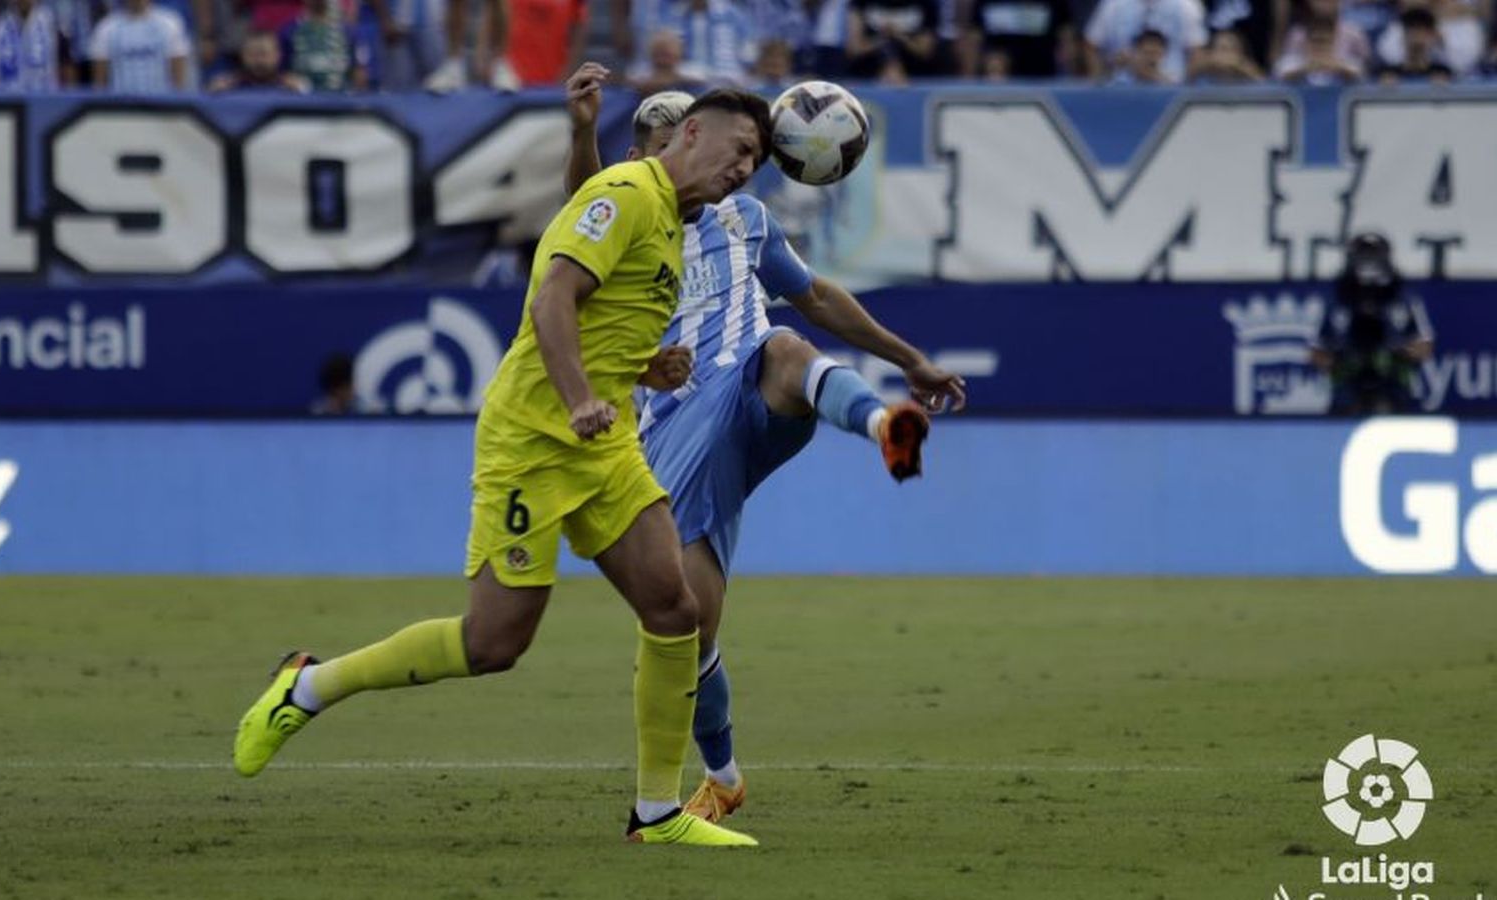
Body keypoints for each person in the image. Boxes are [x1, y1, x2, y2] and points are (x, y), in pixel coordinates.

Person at [234, 88, 775, 848]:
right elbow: (553, 294)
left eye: (755, 161)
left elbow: (597, 318)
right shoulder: (626, 193)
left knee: (674, 609)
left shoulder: (673, 225)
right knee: (494, 644)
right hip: (533, 439)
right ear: (689, 133)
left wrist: (645, 367)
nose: (745, 168)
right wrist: (578, 395)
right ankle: (309, 686)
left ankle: (657, 814)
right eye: (740, 148)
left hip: (606, 442)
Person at [563, 65, 967, 825]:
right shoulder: (626, 220)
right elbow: (582, 202)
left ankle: (886, 425)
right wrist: (582, 132)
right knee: (687, 623)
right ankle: (723, 775)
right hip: (675, 427)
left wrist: (909, 359)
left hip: (749, 385)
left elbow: (816, 297)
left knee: (784, 344)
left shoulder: (745, 219)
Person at [1311, 232, 1434, 416]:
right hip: (1349, 379)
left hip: (1391, 379)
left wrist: (1400, 353)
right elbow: (1317, 349)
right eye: (1363, 257)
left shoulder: (1404, 298)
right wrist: (1336, 362)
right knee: (1344, 405)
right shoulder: (1337, 300)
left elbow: (1425, 344)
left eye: (1373, 257)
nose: (1368, 264)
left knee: (1396, 404)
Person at [89, 0, 190, 92]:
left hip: (161, 107)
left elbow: (179, 81)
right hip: (121, 107)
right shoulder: (106, 27)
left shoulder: (170, 24)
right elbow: (100, 83)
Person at [207, 29, 307, 90]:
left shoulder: (292, 86)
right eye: (252, 54)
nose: (258, 60)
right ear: (242, 56)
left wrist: (301, 89)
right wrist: (214, 92)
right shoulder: (229, 86)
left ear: (277, 55)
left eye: (263, 53)